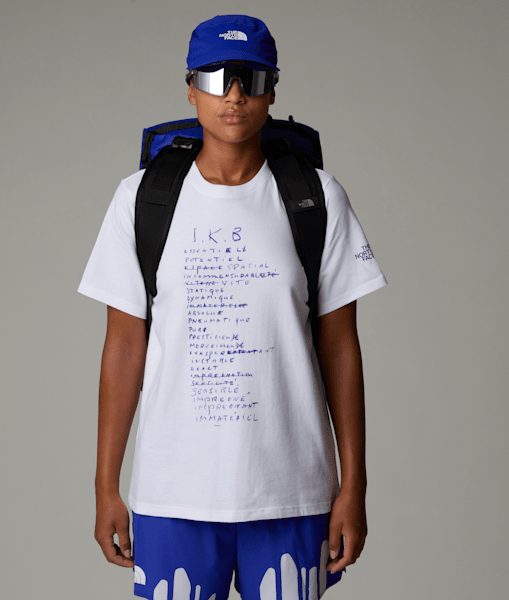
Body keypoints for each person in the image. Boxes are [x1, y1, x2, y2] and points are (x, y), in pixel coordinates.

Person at [77, 14, 388, 600]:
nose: (235, 95)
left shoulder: (316, 197)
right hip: (173, 494)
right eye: (218, 78)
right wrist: (105, 486)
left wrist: (355, 487)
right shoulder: (141, 200)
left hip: (293, 493)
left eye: (252, 78)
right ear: (191, 89)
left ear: (272, 91)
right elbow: (123, 347)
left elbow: (341, 349)